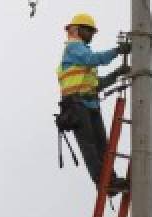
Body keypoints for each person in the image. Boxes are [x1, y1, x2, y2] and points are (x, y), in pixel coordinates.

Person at [56, 13, 132, 194]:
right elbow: (93, 59)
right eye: (89, 30)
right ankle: (102, 181)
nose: (91, 34)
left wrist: (116, 74)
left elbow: (96, 84)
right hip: (75, 105)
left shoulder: (83, 54)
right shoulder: (74, 48)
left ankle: (110, 180)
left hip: (89, 104)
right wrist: (117, 51)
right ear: (77, 29)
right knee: (89, 146)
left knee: (102, 146)